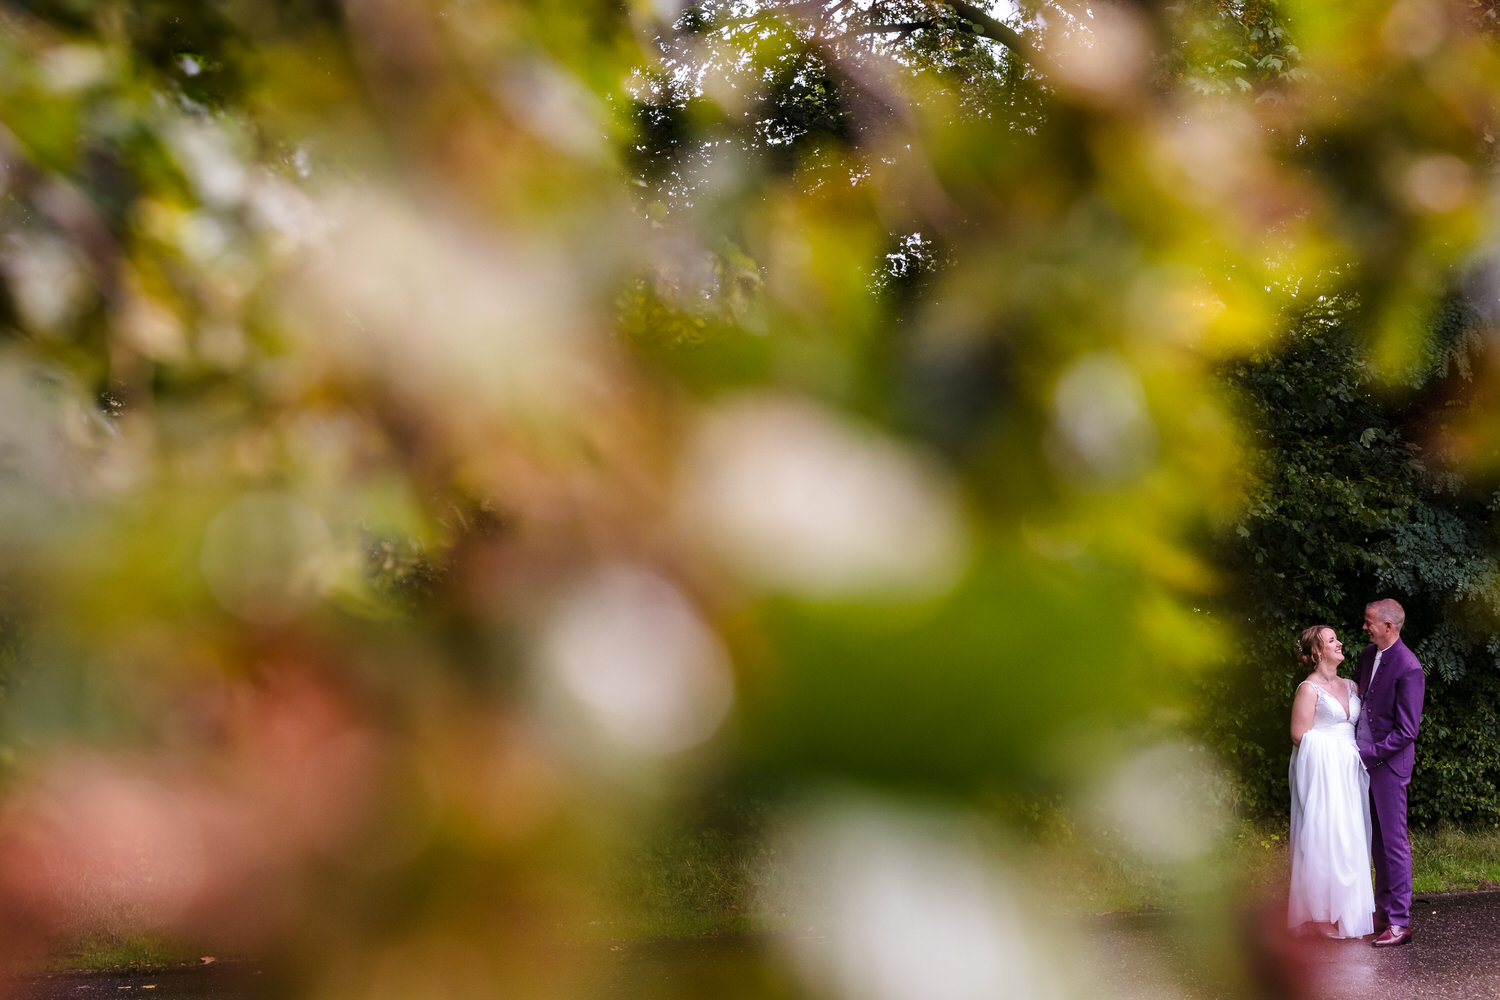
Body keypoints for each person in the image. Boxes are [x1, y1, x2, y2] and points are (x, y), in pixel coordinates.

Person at [1287, 625, 1375, 939]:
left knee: (1349, 838)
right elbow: (1299, 735)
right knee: (1323, 838)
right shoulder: (1308, 689)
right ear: (1317, 652)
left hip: (1349, 773)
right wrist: (1335, 753)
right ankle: (1319, 914)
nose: (1340, 643)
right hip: (1323, 774)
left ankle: (1346, 909)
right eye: (1332, 640)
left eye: (1337, 638)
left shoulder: (1351, 685)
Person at [1355, 598, 1424, 948]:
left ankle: (1400, 923)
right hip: (1361, 763)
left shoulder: (1409, 667)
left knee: (1393, 843)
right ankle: (1381, 913)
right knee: (1374, 841)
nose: (1364, 626)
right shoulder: (1367, 655)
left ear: (1388, 626)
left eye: (1369, 622)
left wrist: (1367, 754)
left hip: (1389, 768)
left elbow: (1407, 731)